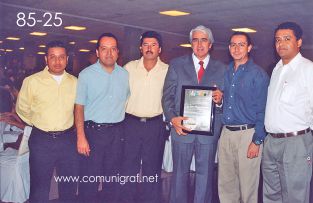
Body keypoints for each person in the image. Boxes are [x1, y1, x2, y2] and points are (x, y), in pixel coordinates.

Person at [162, 25, 226, 203]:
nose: (199, 44)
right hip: (182, 131)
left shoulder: (222, 68)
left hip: (208, 134)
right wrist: (172, 118)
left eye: (204, 40)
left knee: (205, 179)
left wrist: (220, 100)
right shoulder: (176, 65)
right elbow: (167, 97)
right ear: (191, 43)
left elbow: (226, 101)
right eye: (195, 40)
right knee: (179, 177)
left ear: (210, 44)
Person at [16, 41, 79, 203]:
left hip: (68, 140)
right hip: (41, 140)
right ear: (46, 59)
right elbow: (22, 109)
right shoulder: (32, 81)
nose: (57, 61)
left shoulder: (75, 82)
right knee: (39, 187)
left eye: (61, 57)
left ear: (66, 59)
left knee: (68, 185)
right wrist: (38, 123)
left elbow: (79, 109)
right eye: (53, 57)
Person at [75, 33, 129, 203]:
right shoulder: (86, 75)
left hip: (117, 134)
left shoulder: (124, 74)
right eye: (104, 49)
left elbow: (126, 101)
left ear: (118, 52)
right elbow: (79, 107)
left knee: (112, 179)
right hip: (93, 134)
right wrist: (80, 136)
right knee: (89, 180)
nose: (109, 53)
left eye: (113, 49)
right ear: (97, 52)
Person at [263, 22, 313, 203]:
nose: (281, 44)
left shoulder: (308, 69)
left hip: (296, 143)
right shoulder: (276, 70)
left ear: (299, 42)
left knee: (295, 196)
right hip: (271, 143)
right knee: (271, 195)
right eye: (277, 40)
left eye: (287, 39)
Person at [217, 32, 269, 203]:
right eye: (233, 44)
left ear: (249, 47)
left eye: (241, 44)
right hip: (226, 134)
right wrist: (219, 100)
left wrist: (257, 140)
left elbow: (263, 110)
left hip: (248, 134)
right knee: (226, 185)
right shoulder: (227, 72)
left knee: (248, 188)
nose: (236, 48)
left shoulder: (258, 74)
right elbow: (227, 102)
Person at [121, 31, 168, 203]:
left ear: (160, 49)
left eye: (153, 45)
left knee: (152, 169)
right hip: (131, 124)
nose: (149, 48)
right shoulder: (129, 68)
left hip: (155, 126)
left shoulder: (167, 71)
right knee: (128, 167)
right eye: (146, 44)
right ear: (141, 48)